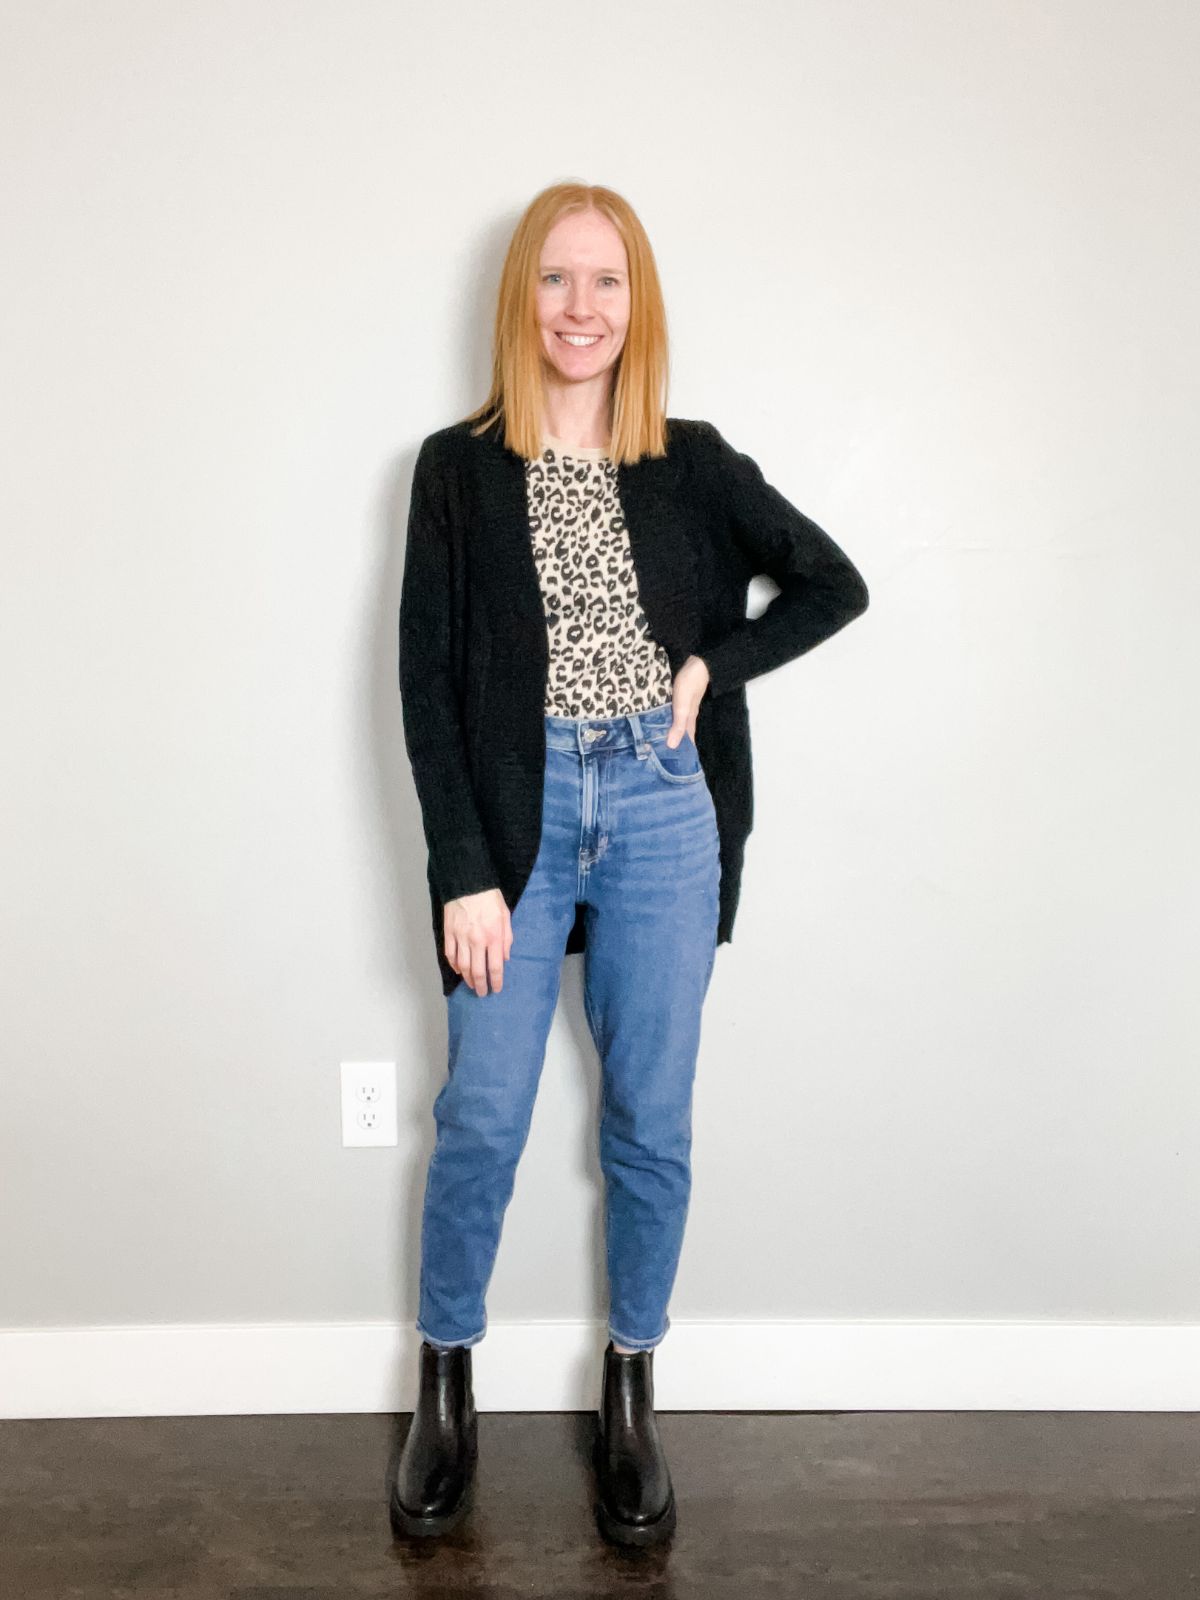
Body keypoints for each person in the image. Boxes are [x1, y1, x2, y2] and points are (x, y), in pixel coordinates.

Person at [390, 181, 869, 1547]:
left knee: (650, 1121)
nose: (581, 310)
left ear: (636, 304)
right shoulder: (456, 468)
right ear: (520, 300)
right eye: (555, 281)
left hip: (663, 807)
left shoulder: (692, 459)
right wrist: (462, 867)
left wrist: (715, 664)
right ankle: (445, 1379)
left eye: (606, 283)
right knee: (483, 1112)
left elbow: (834, 581)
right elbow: (428, 683)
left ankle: (630, 1385)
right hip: (515, 812)